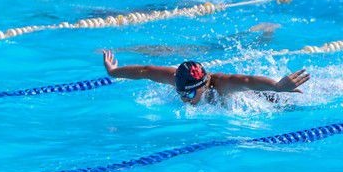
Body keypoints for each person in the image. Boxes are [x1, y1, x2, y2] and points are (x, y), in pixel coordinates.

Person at [103, 52, 310, 105]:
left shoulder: (221, 85)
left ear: (203, 85)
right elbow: (146, 71)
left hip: (270, 98)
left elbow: (248, 81)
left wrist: (277, 86)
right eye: (181, 93)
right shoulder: (176, 78)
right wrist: (114, 71)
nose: (185, 99)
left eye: (190, 93)